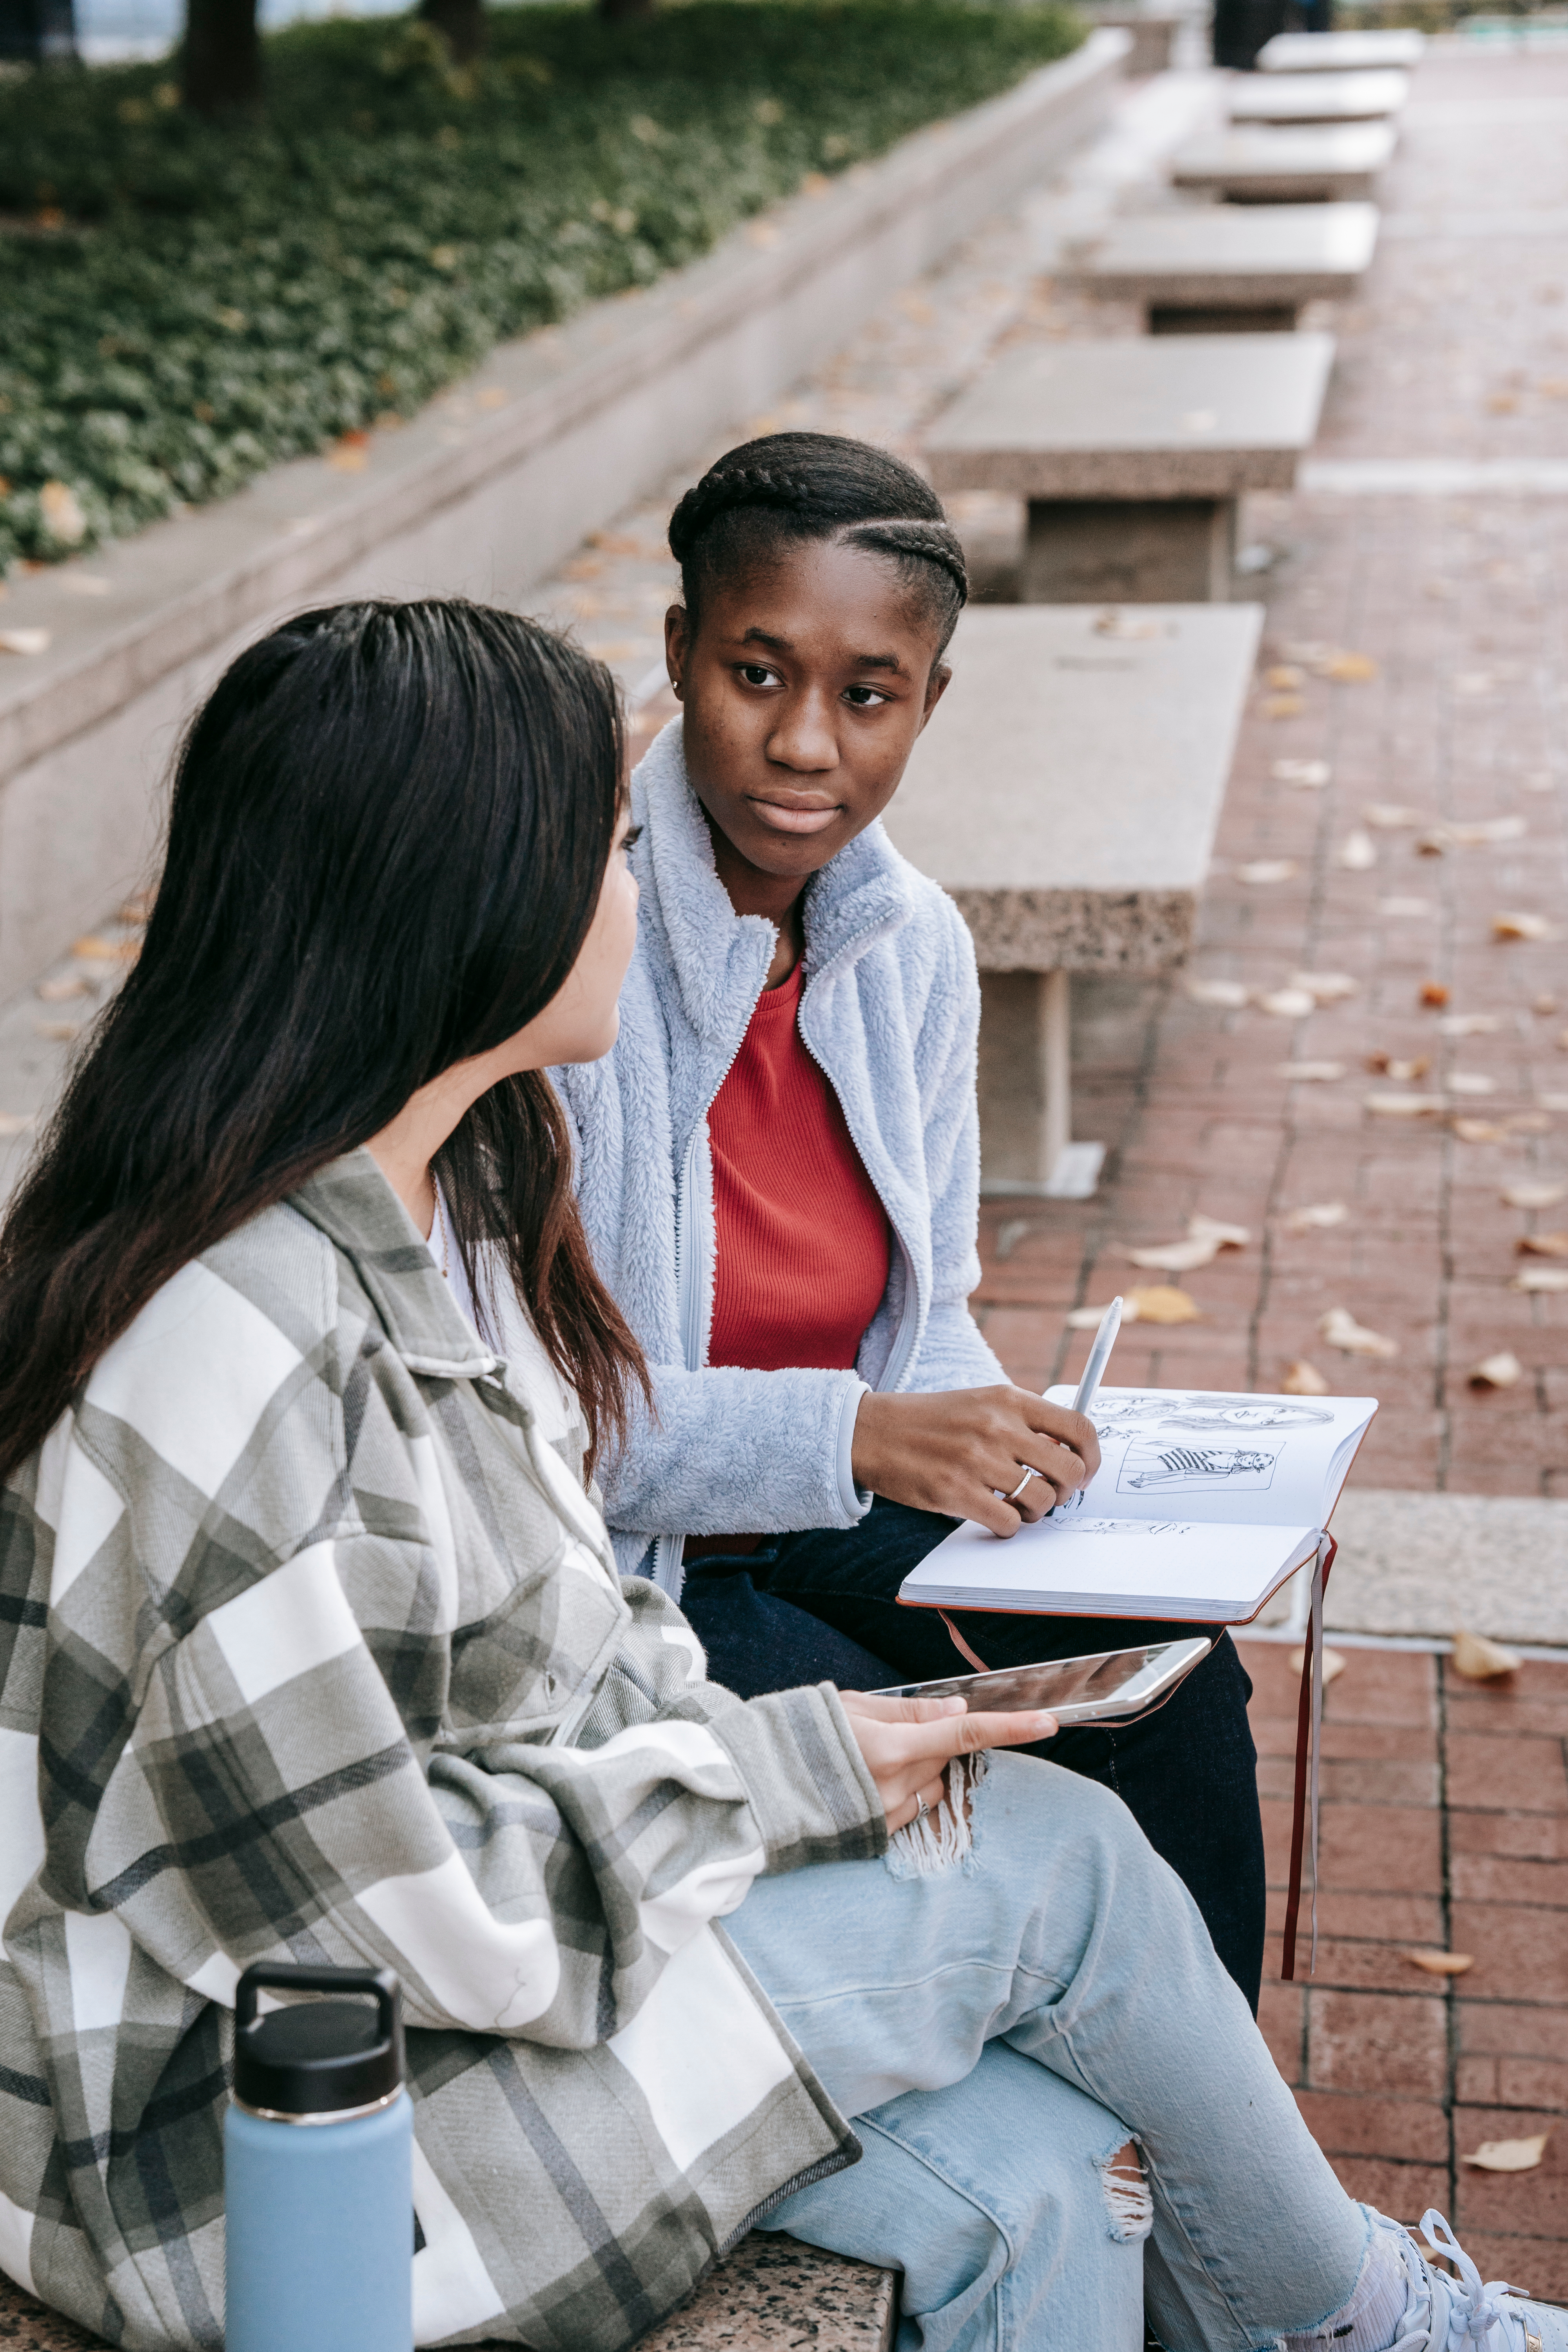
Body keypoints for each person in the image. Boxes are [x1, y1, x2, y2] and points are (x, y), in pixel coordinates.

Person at [0, 597, 1552, 2352]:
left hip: (455, 1984)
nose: (636, 889)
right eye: (598, 850)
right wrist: (789, 1776)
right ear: (458, 901)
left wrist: (801, 1755)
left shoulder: (438, 1208)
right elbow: (378, 1912)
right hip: (258, 2140)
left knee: (1038, 2177)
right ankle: (1374, 2330)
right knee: (1056, 1863)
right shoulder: (242, 1341)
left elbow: (566, 1650)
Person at [552, 432, 1269, 2008]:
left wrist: (997, 1454)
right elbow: (542, 1426)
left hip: (828, 1517)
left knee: (1166, 1675)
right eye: (755, 673)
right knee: (989, 1782)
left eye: (867, 696)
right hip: (627, 1568)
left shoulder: (911, 947)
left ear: (928, 704)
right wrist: (869, 1436)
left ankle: (1216, 2153)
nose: (805, 743)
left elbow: (924, 1308)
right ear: (676, 653)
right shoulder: (568, 938)